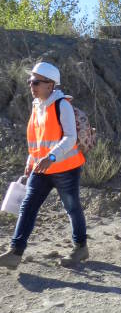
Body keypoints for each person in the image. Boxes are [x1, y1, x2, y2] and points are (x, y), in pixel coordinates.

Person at [0, 61, 88, 270]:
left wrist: (51, 157)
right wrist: (31, 161)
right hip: (42, 168)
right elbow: (36, 139)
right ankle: (15, 251)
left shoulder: (62, 105)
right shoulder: (37, 106)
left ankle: (80, 247)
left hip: (65, 168)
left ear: (51, 85)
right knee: (28, 206)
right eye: (31, 81)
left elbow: (69, 137)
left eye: (36, 82)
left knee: (72, 208)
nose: (32, 85)